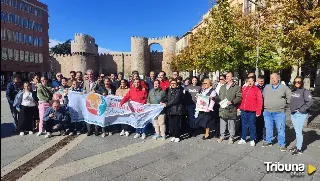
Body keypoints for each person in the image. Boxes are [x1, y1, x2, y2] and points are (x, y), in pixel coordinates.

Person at [263, 73, 291, 152]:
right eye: (271, 78)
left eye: (274, 78)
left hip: (279, 112)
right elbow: (264, 96)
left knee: (281, 129)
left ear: (279, 79)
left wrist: (285, 104)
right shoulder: (267, 87)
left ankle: (282, 144)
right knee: (268, 128)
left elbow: (289, 97)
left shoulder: (284, 88)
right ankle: (268, 141)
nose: (272, 79)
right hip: (267, 112)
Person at [288, 77, 313, 155]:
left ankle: (299, 149)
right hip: (293, 114)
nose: (297, 83)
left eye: (299, 82)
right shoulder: (294, 90)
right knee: (297, 131)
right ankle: (297, 146)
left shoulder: (305, 91)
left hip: (300, 114)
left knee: (298, 132)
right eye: (295, 82)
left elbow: (310, 101)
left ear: (302, 82)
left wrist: (301, 110)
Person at [217, 72, 242, 144]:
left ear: (232, 78)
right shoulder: (222, 87)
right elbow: (219, 97)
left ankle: (231, 137)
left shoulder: (237, 87)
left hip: (231, 108)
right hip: (223, 108)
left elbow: (239, 98)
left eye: (228, 76)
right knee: (222, 123)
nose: (226, 77)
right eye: (226, 76)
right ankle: (222, 136)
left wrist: (232, 102)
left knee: (231, 123)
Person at [238, 76, 263, 146]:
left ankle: (252, 139)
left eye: (251, 81)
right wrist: (239, 107)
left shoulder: (257, 90)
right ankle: (243, 138)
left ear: (254, 82)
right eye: (249, 81)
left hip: (252, 111)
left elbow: (260, 101)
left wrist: (258, 111)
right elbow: (241, 98)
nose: (250, 82)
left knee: (252, 125)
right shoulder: (244, 88)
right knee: (244, 125)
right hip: (244, 110)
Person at [83, 69, 99, 136]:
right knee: (88, 115)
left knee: (95, 115)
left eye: (91, 74)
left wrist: (96, 92)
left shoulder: (97, 82)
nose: (90, 76)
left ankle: (96, 130)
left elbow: (100, 90)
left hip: (95, 101)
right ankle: (89, 130)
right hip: (88, 101)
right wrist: (84, 91)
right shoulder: (85, 82)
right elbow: (84, 90)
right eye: (88, 74)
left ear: (93, 75)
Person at [256, 75, 266, 141]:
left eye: (262, 81)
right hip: (257, 107)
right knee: (257, 122)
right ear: (257, 80)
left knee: (265, 122)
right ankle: (258, 136)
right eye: (260, 81)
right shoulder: (255, 87)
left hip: (265, 107)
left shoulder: (266, 87)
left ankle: (264, 136)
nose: (261, 82)